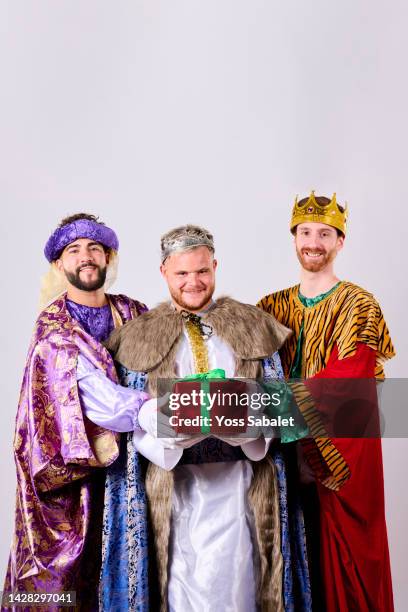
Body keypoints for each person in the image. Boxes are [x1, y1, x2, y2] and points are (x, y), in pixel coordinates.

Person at [102, 224, 343, 612]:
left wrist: (247, 429)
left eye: (202, 271)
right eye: (182, 274)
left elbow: (283, 407)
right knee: (176, 591)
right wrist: (169, 433)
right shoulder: (138, 336)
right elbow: (131, 425)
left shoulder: (253, 326)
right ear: (164, 272)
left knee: (240, 591)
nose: (193, 282)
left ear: (215, 266)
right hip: (175, 492)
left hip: (240, 490)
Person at [257, 192, 395, 612]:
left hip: (337, 454)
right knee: (286, 554)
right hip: (282, 452)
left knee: (348, 559)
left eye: (324, 233)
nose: (312, 242)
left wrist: (276, 404)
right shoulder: (270, 307)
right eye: (304, 232)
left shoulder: (359, 304)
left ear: (340, 242)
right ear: (293, 237)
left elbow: (349, 381)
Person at [3, 214, 148, 610]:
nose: (86, 257)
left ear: (108, 259)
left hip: (133, 472)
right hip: (71, 479)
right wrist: (157, 409)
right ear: (59, 265)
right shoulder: (53, 329)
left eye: (94, 249)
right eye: (74, 250)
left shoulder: (135, 313)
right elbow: (96, 403)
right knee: (63, 581)